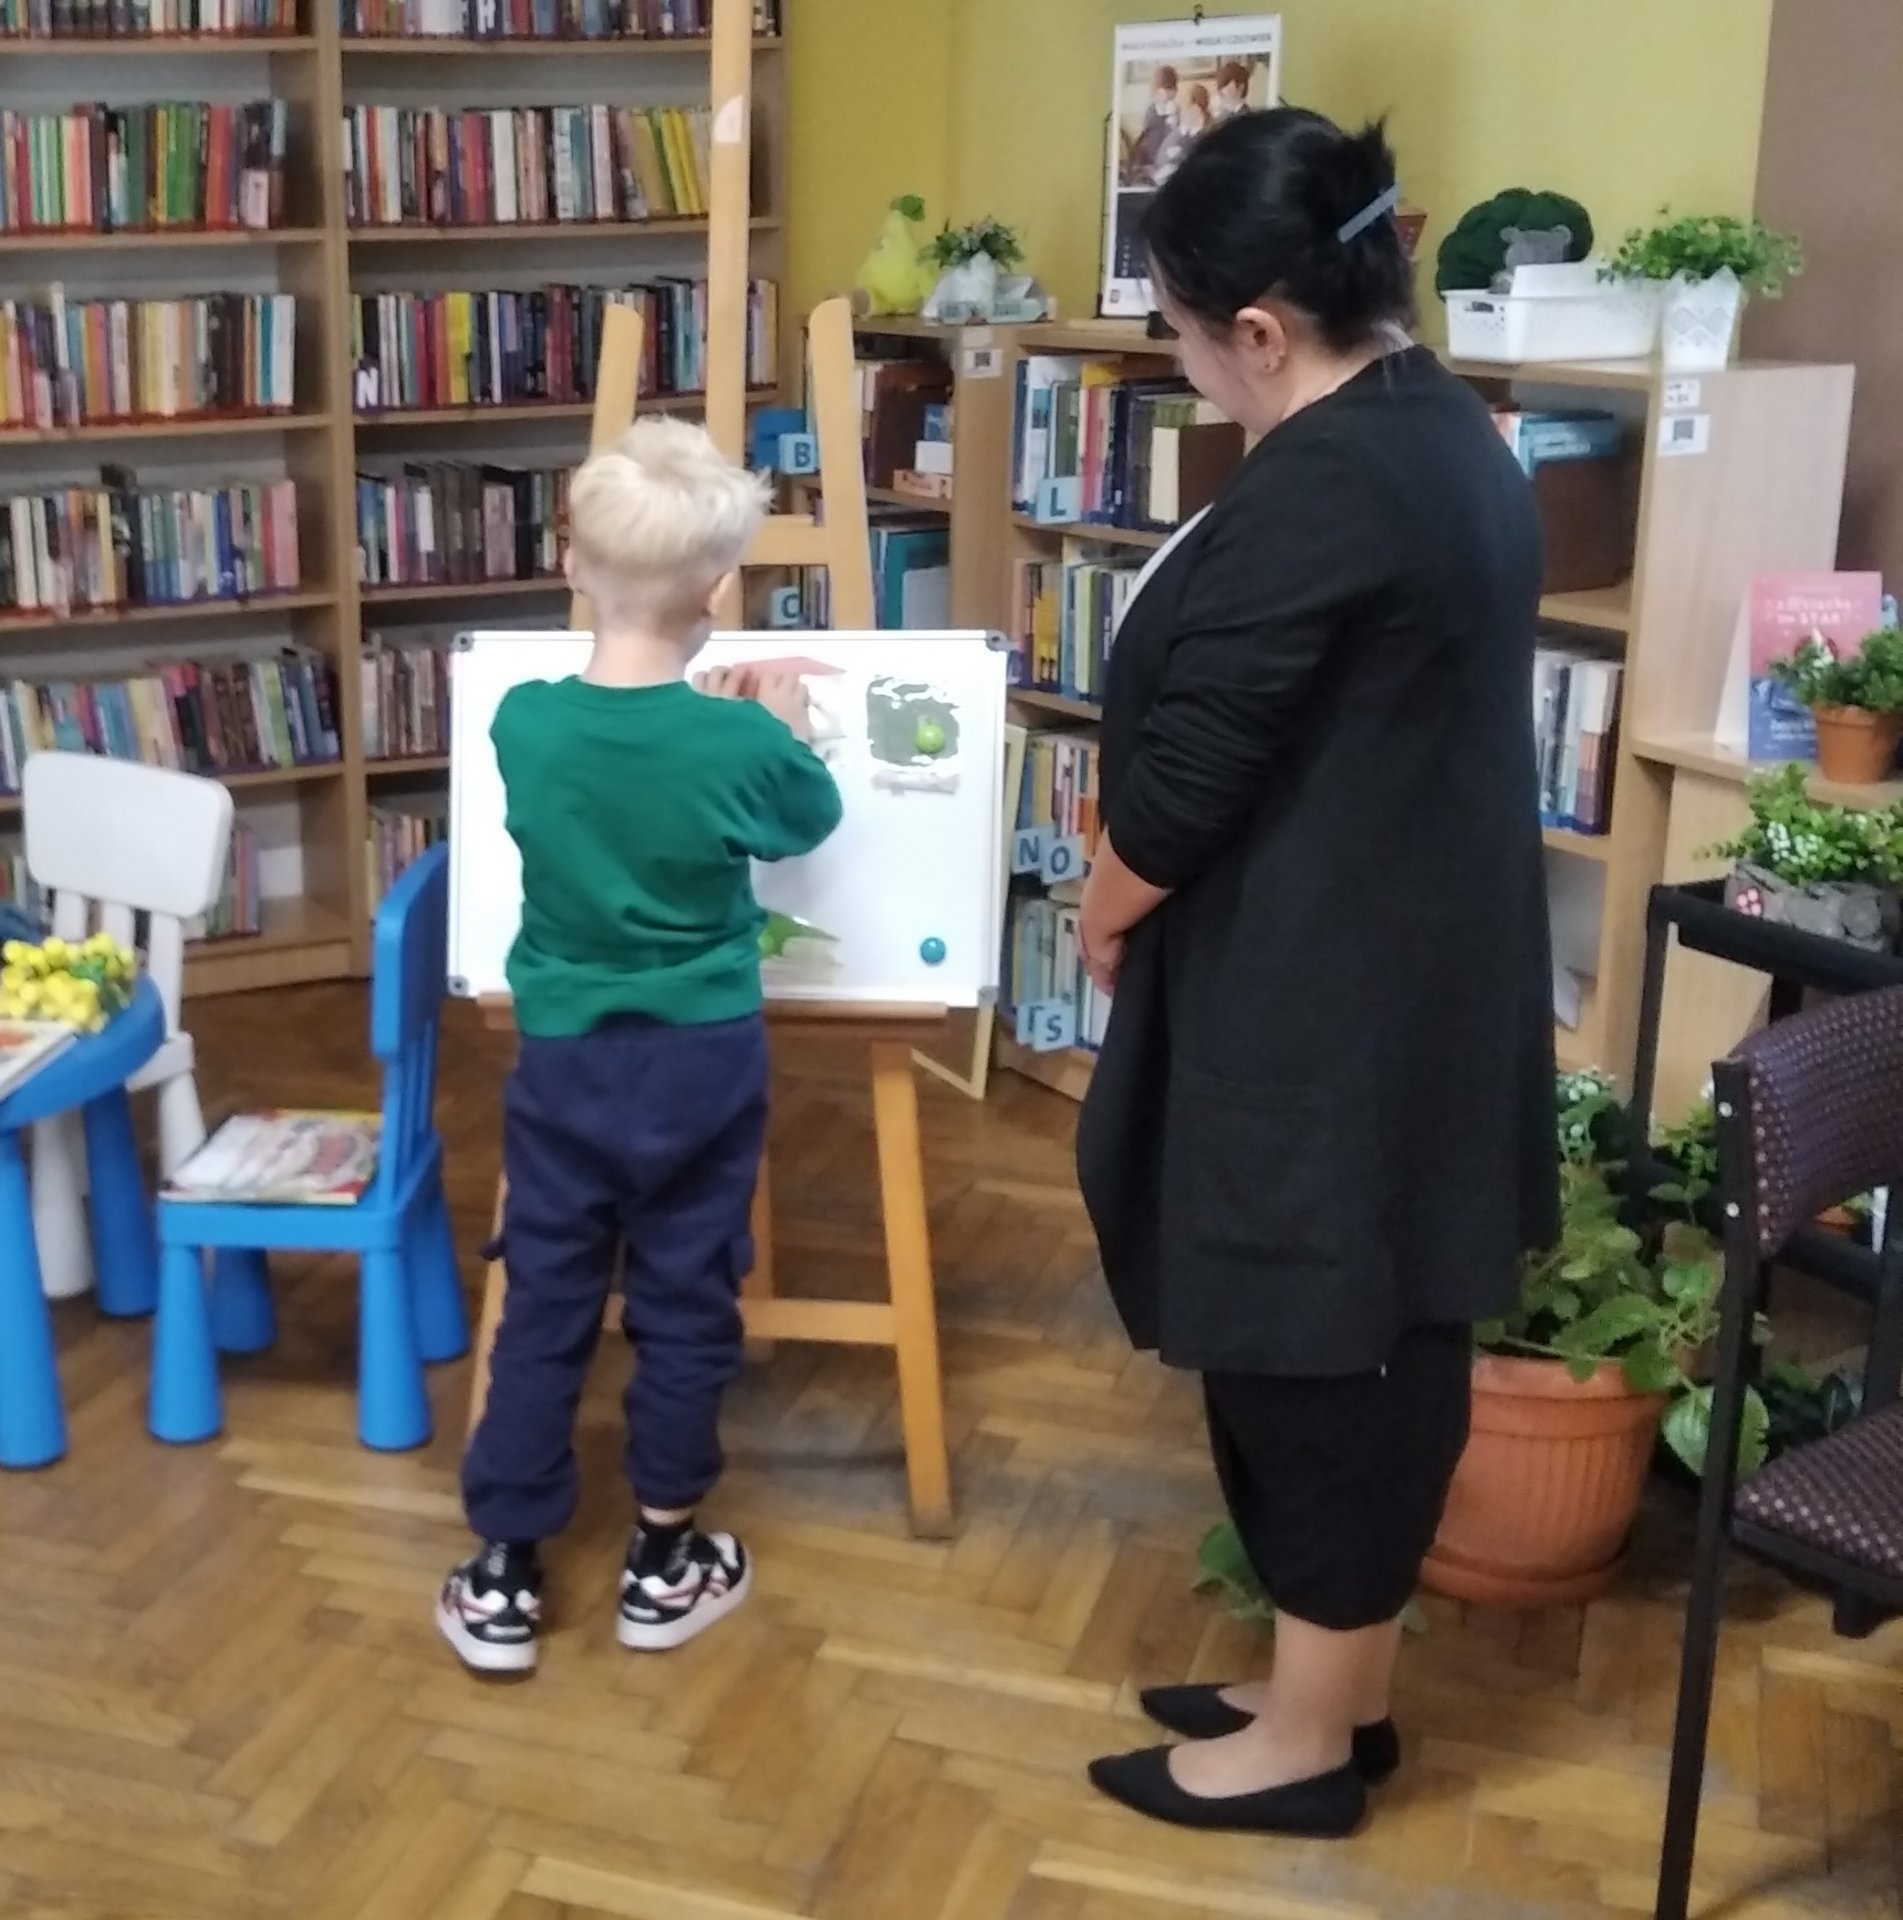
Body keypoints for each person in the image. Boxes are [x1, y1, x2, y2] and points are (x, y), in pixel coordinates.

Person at [1076, 108, 1559, 1838]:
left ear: (1260, 330)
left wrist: (1101, 906)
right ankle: (1327, 1698)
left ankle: (1299, 1751)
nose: (1181, 363)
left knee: (1318, 1354)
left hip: (1326, 1002)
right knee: (1353, 1343)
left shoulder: (1332, 480)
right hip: (1386, 971)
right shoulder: (1434, 426)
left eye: (1180, 332)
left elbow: (1196, 772)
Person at [439, 418, 843, 1676]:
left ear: (571, 564)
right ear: (718, 589)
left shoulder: (525, 723)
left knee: (546, 1296)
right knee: (685, 1294)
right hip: (702, 1062)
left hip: (564, 1061)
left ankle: (504, 1573)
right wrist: (782, 726)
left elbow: (613, 764)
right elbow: (804, 819)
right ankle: (664, 1560)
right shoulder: (738, 743)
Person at [1152, 82, 1212, 186]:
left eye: (1190, 107)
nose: (1186, 112)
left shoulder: (1207, 134)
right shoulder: (1178, 132)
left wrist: (1180, 155)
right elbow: (1160, 159)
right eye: (1185, 108)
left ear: (1200, 110)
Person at [1126, 64, 1179, 183]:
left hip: (1168, 162)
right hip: (1151, 162)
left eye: (1171, 90)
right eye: (1164, 90)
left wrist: (1173, 120)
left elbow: (1176, 141)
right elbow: (1147, 143)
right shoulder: (1152, 112)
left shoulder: (1175, 111)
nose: (1167, 95)